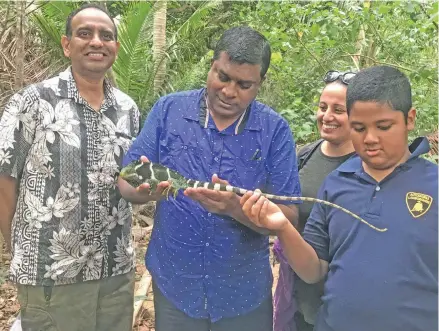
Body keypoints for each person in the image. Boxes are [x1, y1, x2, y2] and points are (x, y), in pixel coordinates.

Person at [118, 26, 301, 331]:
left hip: (243, 295)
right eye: (223, 76)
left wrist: (234, 208)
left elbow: (290, 216)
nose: (229, 91)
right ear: (212, 66)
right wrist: (147, 191)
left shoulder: (275, 131)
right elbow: (126, 182)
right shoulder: (169, 111)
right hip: (176, 287)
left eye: (244, 85)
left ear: (260, 84)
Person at [241, 65, 438, 331]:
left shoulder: (432, 184)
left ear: (410, 119)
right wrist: (283, 228)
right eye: (358, 127)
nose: (370, 139)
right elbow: (314, 271)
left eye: (383, 126)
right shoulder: (336, 183)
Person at [0, 4, 139, 331]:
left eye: (106, 36)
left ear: (116, 48)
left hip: (114, 273)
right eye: (84, 33)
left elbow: (130, 179)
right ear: (67, 44)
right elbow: (5, 179)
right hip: (52, 274)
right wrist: (17, 247)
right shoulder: (31, 102)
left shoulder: (128, 110)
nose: (96, 42)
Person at [272, 70, 356, 331]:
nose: (327, 116)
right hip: (297, 290)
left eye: (338, 110)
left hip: (343, 294)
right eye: (322, 107)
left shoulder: (367, 167)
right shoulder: (303, 156)